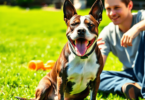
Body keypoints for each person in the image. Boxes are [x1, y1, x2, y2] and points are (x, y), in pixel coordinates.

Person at [97, 0, 145, 99]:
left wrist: (137, 28)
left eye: (117, 8)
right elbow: (98, 67)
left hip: (142, 68)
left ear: (130, 5)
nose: (112, 13)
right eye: (108, 9)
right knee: (96, 78)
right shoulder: (107, 32)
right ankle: (129, 86)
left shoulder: (141, 17)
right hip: (131, 73)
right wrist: (91, 54)